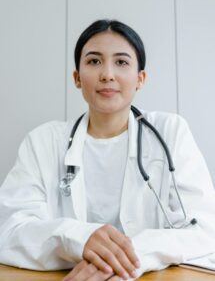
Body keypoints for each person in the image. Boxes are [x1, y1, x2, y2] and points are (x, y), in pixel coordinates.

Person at [0, 19, 215, 281]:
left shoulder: (170, 132)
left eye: (122, 62)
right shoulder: (43, 141)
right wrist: (78, 239)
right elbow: (9, 231)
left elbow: (204, 230)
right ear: (77, 78)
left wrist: (127, 258)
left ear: (140, 78)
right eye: (94, 61)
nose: (107, 74)